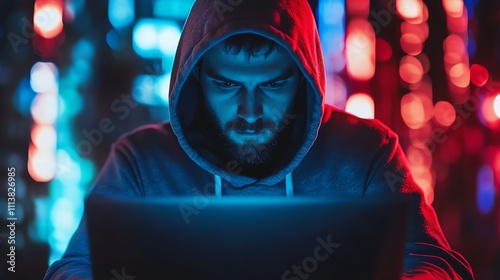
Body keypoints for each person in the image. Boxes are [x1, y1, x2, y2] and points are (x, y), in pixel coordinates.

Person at [44, 0, 475, 279]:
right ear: (195, 83)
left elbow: (434, 262)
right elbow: (76, 269)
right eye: (227, 86)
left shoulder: (364, 153)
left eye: (272, 85)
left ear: (303, 80)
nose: (249, 111)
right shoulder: (142, 162)